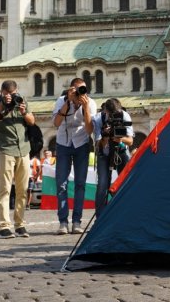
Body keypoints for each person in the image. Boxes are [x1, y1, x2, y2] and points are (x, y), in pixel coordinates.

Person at [0, 80, 35, 239]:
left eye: (13, 94)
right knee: (5, 189)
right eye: (7, 94)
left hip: (24, 149)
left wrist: (24, 112)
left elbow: (32, 121)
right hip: (6, 149)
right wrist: (1, 107)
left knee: (22, 189)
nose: (11, 97)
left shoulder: (22, 100)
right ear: (2, 92)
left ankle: (20, 225)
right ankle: (4, 227)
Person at [52, 77, 96, 235]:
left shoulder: (90, 103)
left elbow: (90, 129)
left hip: (81, 143)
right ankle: (63, 222)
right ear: (71, 89)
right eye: (77, 89)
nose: (80, 93)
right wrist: (68, 102)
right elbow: (56, 123)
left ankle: (77, 221)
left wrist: (86, 108)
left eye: (83, 89)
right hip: (63, 143)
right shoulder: (61, 101)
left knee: (80, 184)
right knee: (61, 184)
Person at [93, 98, 134, 210]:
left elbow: (130, 141)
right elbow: (97, 144)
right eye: (111, 115)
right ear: (105, 111)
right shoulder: (98, 119)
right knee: (102, 184)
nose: (112, 118)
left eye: (115, 115)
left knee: (126, 181)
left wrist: (120, 139)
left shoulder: (124, 116)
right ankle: (100, 216)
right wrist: (105, 136)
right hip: (104, 153)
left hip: (121, 151)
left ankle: (126, 210)